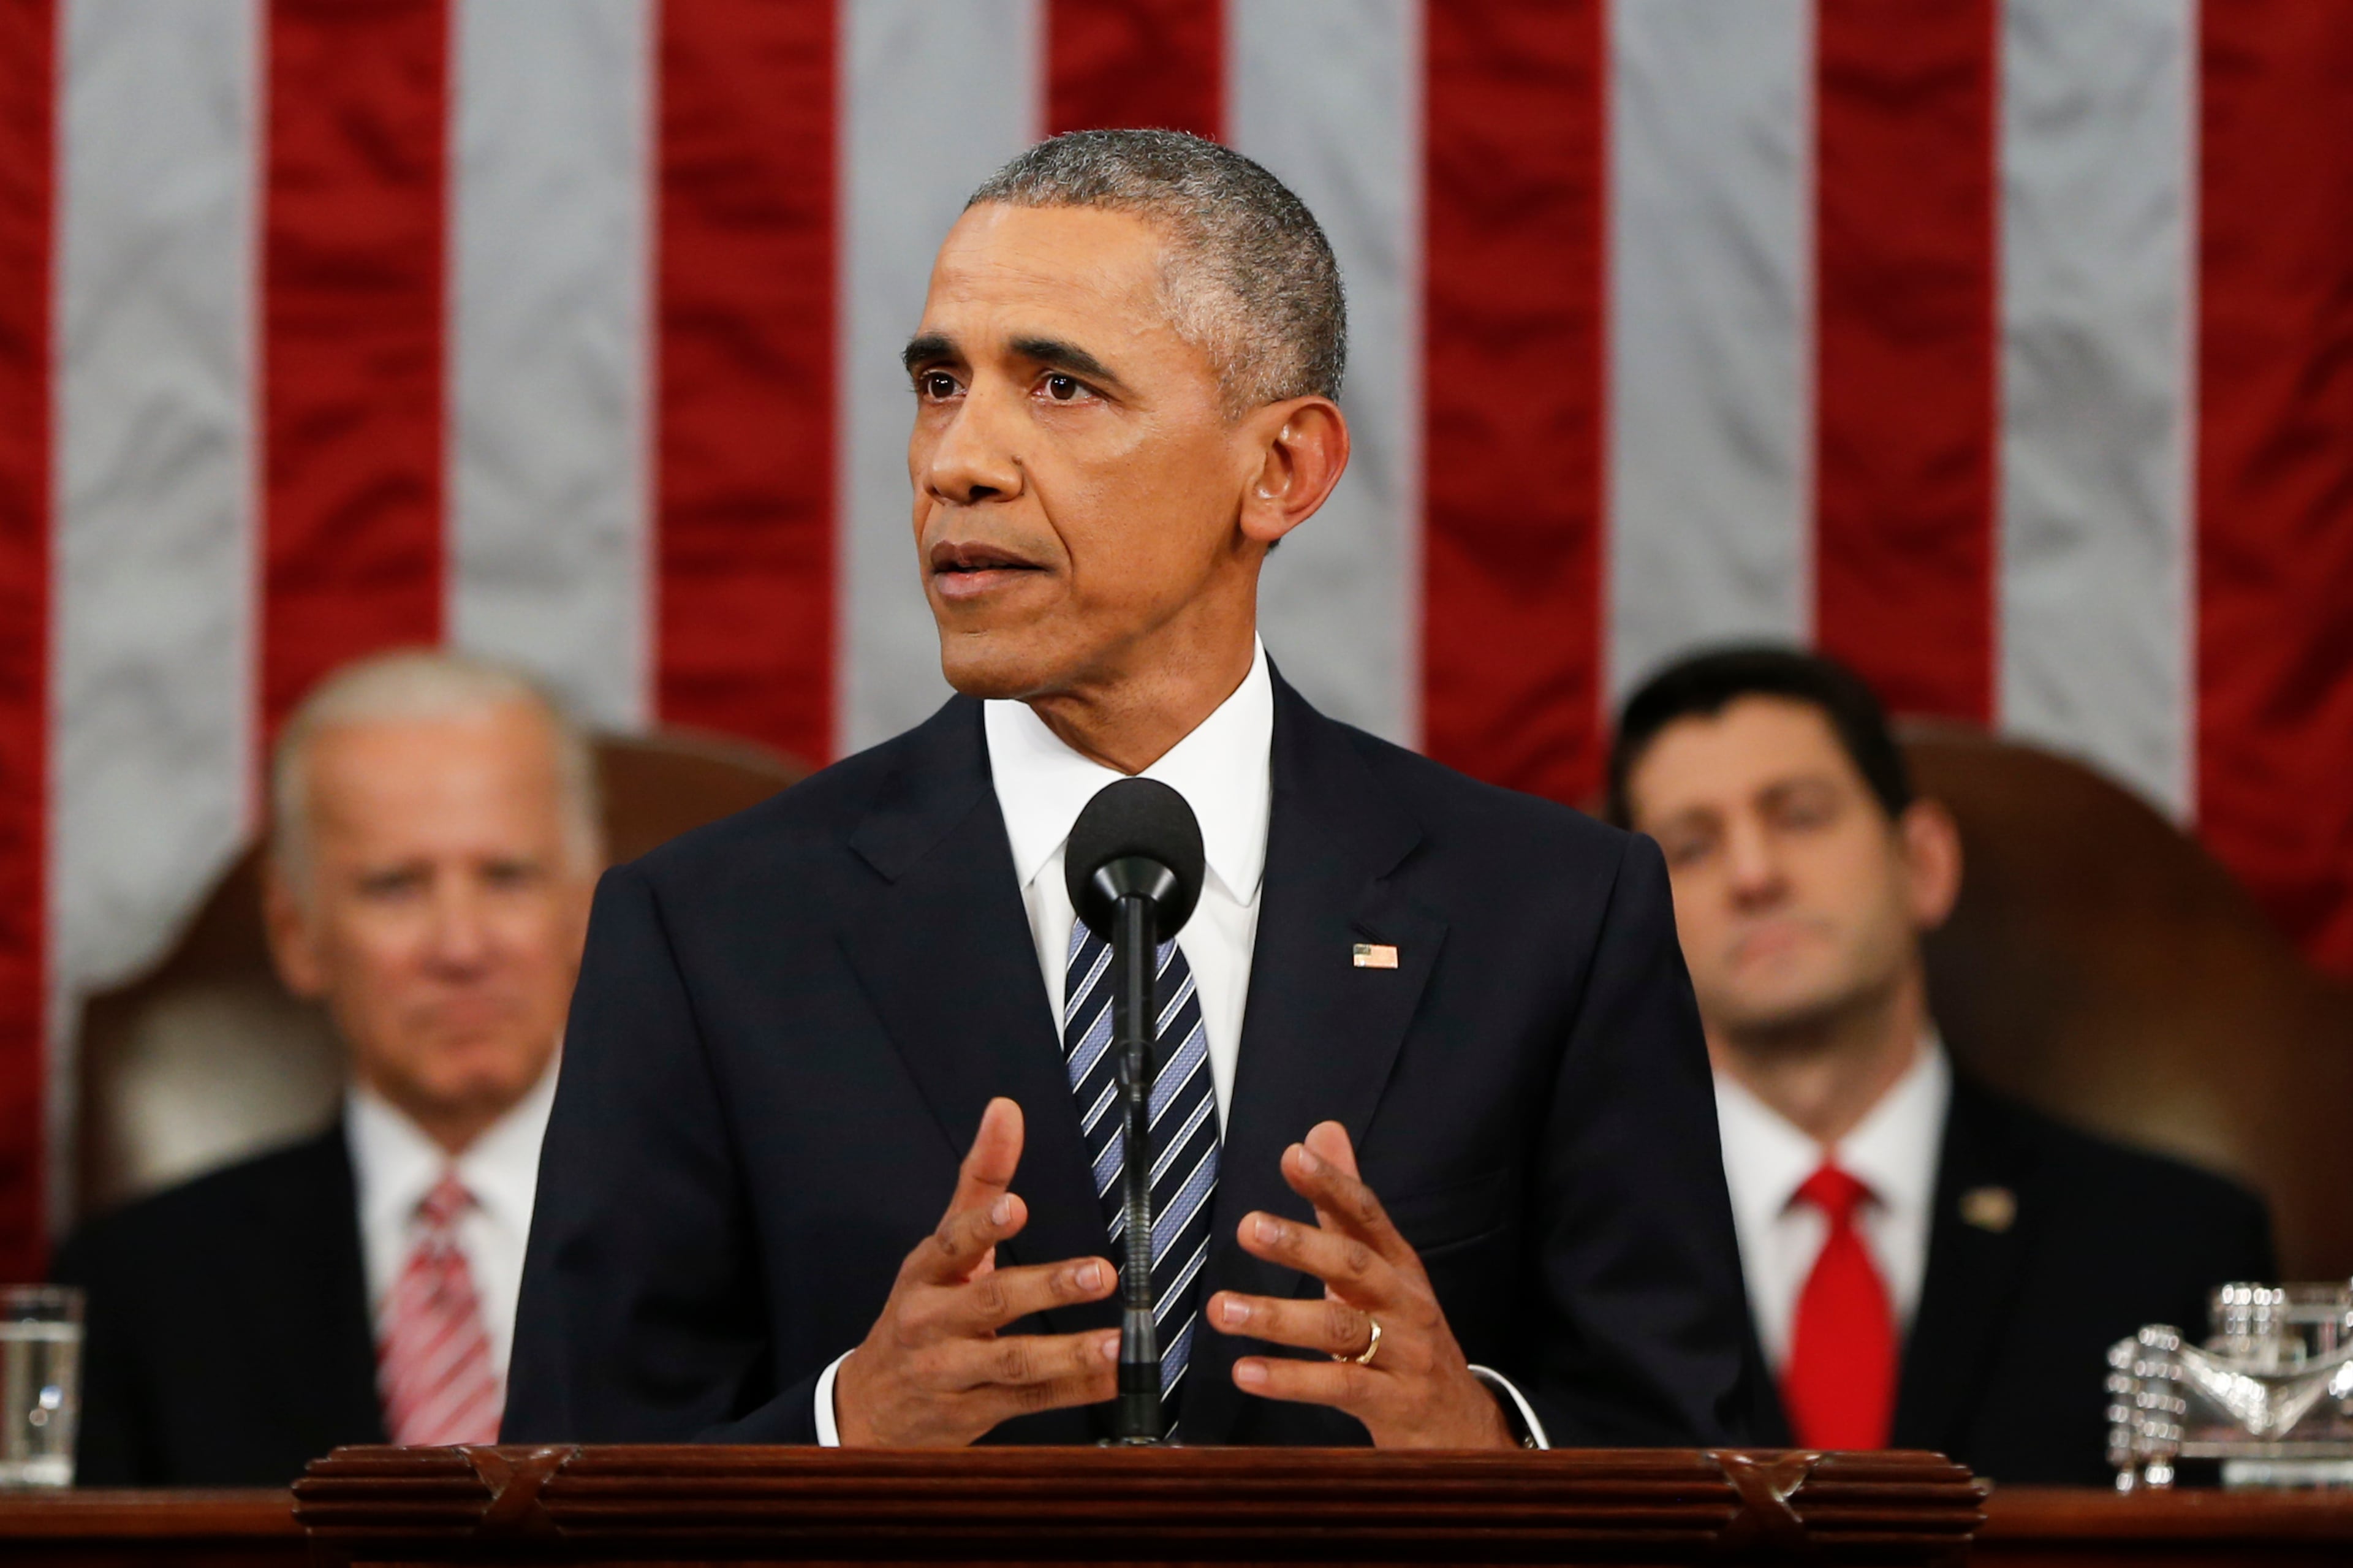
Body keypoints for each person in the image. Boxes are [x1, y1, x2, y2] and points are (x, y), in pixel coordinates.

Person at [504, 130, 1752, 1451]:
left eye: (1058, 387)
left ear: (1282, 471)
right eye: (940, 383)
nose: (956, 463)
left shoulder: (1554, 915)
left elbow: (1699, 1449)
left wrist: (1483, 1440)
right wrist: (845, 1426)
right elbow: (563, 1493)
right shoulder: (705, 933)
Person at [1607, 645, 2276, 1483]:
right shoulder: (1569, 1268)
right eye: (1691, 847)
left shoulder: (2174, 1244)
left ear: (1921, 862)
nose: (1753, 875)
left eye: (1801, 815)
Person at [52, 651, 599, 1485]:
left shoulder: (736, 1246)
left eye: (507, 877)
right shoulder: (138, 1291)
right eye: (395, 887)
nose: (461, 948)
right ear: (296, 931)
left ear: (584, 909)